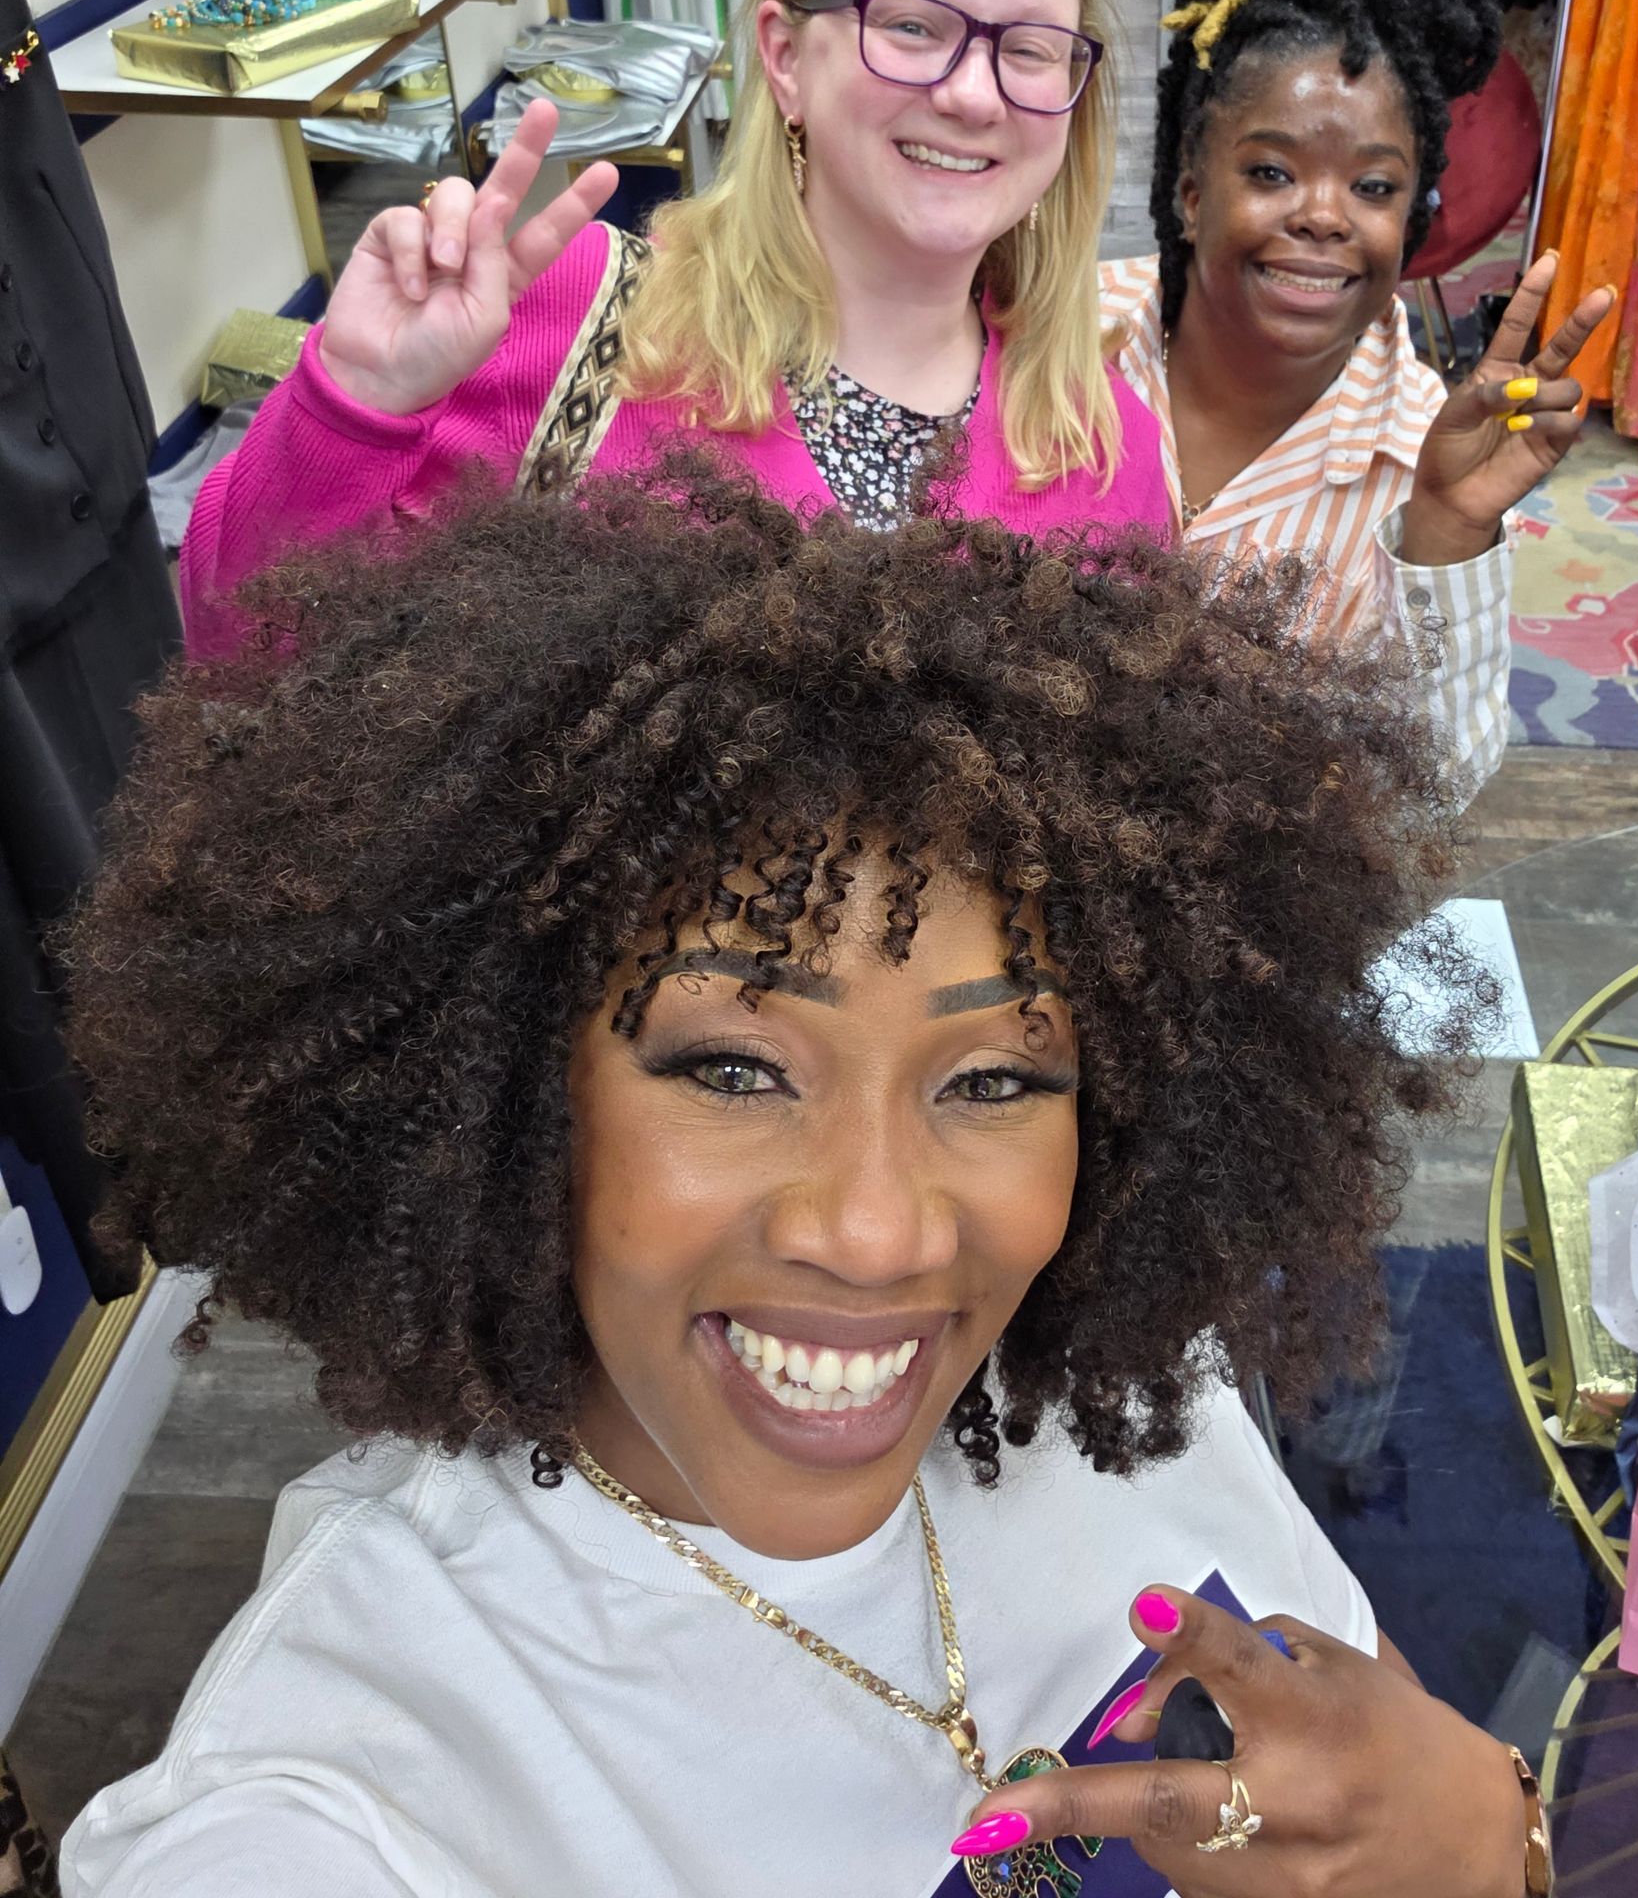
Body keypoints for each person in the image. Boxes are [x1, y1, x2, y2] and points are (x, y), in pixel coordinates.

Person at [62, 466, 1544, 1898]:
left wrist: (1498, 1853)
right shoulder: (347, 1783)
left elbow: (1385, 1763)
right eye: (731, 1071)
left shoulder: (1140, 1395)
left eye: (994, 1082)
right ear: (502, 1091)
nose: (878, 1232)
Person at [181, 0, 1171, 656]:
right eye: (910, 27)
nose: (969, 91)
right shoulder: (572, 326)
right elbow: (249, 658)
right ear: (784, 55)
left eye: (1031, 50)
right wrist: (353, 406)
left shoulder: (1102, 453)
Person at [1102, 0, 1616, 797]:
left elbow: (1433, 798)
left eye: (1374, 188)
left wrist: (1448, 533)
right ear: (1189, 193)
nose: (1325, 217)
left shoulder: (1425, 446)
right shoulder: (1060, 342)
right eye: (1271, 172)